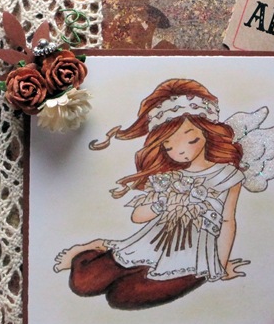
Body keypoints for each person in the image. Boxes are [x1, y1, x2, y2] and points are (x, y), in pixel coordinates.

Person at [53, 78, 250, 310]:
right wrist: (163, 202)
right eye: (168, 145)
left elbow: (227, 221)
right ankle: (93, 248)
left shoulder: (228, 176)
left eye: (190, 138)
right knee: (83, 282)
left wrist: (221, 265)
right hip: (147, 246)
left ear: (207, 132)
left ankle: (104, 251)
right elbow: (138, 217)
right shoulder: (171, 176)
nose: (179, 151)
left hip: (190, 258)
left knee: (122, 297)